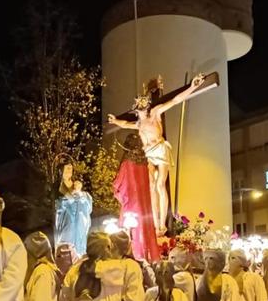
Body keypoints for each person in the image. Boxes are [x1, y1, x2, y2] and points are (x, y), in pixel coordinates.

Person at [107, 73, 206, 235]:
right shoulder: (138, 124)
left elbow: (175, 100)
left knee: (160, 184)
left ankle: (162, 223)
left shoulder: (155, 114)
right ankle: (155, 223)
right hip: (148, 154)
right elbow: (124, 123)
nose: (141, 110)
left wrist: (193, 86)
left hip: (160, 150)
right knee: (151, 186)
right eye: (138, 108)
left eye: (142, 106)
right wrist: (115, 120)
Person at [113, 132, 160, 261]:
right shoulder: (143, 163)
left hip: (132, 203)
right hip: (144, 203)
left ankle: (136, 256)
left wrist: (118, 192)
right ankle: (149, 257)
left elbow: (118, 184)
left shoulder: (127, 163)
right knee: (146, 227)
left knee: (133, 230)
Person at [55, 173, 93, 257]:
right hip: (68, 228)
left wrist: (79, 196)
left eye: (79, 183)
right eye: (75, 183)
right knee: (67, 249)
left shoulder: (85, 196)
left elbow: (88, 208)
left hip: (81, 227)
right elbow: (59, 208)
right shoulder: (65, 196)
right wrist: (69, 198)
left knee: (79, 248)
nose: (77, 185)